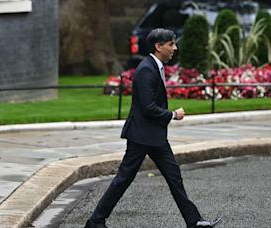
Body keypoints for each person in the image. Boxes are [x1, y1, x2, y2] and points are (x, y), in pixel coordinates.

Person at [85, 28, 221, 228]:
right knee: (124, 179)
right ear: (158, 47)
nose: (175, 48)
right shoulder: (146, 69)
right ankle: (95, 221)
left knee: (174, 177)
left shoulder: (154, 66)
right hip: (141, 136)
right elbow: (148, 107)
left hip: (153, 136)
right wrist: (173, 115)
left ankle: (194, 222)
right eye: (170, 44)